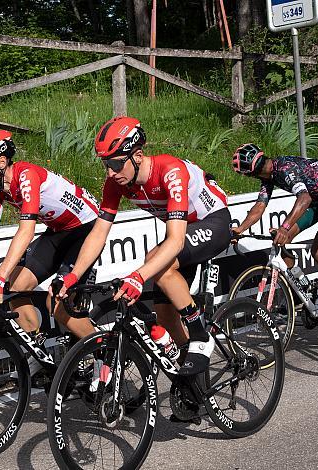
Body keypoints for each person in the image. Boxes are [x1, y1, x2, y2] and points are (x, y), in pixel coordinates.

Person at [56, 116, 231, 376]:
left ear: (137, 156)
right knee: (166, 318)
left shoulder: (169, 171)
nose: (110, 173)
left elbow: (176, 241)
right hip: (187, 230)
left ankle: (199, 334)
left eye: (115, 164)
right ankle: (194, 385)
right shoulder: (115, 183)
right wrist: (73, 275)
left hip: (213, 221)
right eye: (106, 165)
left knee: (155, 259)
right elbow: (98, 233)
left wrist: (138, 276)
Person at [0, 129, 99, 368]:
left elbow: (26, 231)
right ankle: (39, 352)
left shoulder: (26, 176)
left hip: (87, 230)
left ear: (1, 162)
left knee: (56, 302)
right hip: (59, 231)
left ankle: (103, 354)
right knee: (14, 287)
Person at [230, 143, 318, 325]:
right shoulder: (268, 177)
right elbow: (260, 207)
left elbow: (304, 198)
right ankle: (305, 290)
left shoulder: (284, 169)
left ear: (250, 174)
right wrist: (240, 229)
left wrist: (285, 227)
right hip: (316, 204)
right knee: (280, 242)